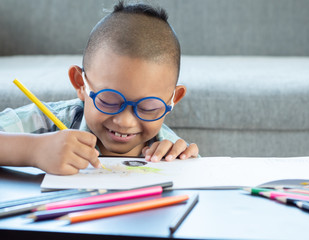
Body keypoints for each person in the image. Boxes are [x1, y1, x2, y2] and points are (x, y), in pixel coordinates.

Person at [0, 1, 199, 175]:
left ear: (173, 99)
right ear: (80, 83)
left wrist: (187, 166)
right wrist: (33, 150)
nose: (124, 121)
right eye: (109, 100)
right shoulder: (42, 122)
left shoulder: (169, 150)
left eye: (148, 107)